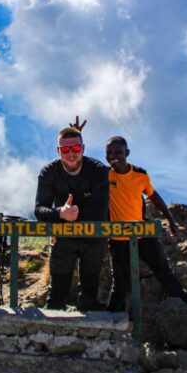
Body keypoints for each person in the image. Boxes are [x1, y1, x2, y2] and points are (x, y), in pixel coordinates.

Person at [104, 135, 187, 312]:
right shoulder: (105, 175)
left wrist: (170, 218)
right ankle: (111, 322)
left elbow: (153, 196)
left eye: (118, 152)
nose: (114, 156)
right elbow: (80, 164)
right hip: (118, 238)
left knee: (163, 271)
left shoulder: (140, 175)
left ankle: (186, 307)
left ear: (127, 153)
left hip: (142, 234)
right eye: (109, 153)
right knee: (121, 282)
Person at [34, 127, 110, 311]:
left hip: (93, 237)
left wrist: (71, 215)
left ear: (83, 148)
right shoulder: (49, 172)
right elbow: (39, 209)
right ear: (58, 151)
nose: (71, 154)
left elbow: (101, 209)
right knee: (57, 292)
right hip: (64, 236)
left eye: (75, 149)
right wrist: (60, 213)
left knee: (90, 292)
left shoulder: (98, 171)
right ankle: (50, 334)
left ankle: (90, 330)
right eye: (65, 150)